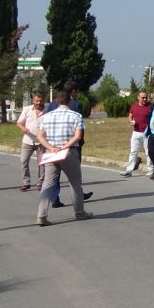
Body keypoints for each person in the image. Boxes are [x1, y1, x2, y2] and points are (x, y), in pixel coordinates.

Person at [35, 89, 93, 226]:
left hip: (51, 153)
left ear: (56, 100)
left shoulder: (46, 116)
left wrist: (51, 148)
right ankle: (79, 212)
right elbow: (78, 136)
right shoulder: (76, 116)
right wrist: (64, 147)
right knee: (75, 183)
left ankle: (41, 215)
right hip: (69, 152)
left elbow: (40, 136)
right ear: (69, 101)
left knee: (47, 185)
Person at [45, 82, 91, 208]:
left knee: (53, 175)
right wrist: (80, 141)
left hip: (52, 145)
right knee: (74, 177)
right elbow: (79, 127)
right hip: (71, 145)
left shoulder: (53, 105)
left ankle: (54, 198)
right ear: (73, 92)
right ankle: (79, 201)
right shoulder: (75, 105)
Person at [15, 93, 46, 191]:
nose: (39, 103)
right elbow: (19, 123)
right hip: (28, 140)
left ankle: (40, 183)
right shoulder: (27, 109)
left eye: (40, 101)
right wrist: (23, 129)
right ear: (33, 100)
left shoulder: (48, 111)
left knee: (41, 163)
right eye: (37, 101)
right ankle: (26, 182)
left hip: (42, 141)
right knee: (24, 161)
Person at [120, 91, 153, 176]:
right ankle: (129, 170)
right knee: (133, 151)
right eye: (143, 98)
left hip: (147, 132)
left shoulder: (150, 106)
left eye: (146, 97)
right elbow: (130, 115)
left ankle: (151, 169)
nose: (145, 99)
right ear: (138, 97)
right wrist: (130, 121)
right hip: (136, 132)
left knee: (148, 151)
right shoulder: (134, 106)